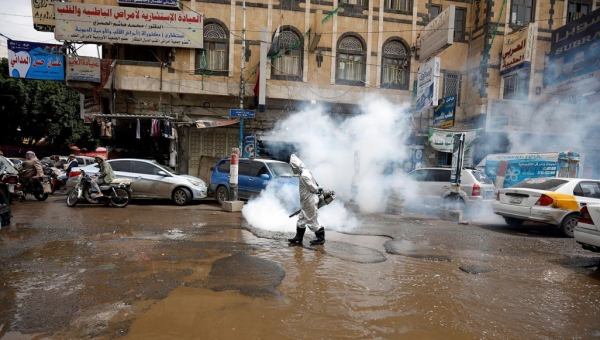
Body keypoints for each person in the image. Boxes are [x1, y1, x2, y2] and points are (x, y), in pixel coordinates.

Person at [287, 154, 326, 245]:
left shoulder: (304, 175)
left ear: (295, 166)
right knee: (301, 220)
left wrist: (317, 189)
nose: (292, 170)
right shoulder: (305, 172)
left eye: (292, 167)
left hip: (309, 202)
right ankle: (298, 237)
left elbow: (312, 187)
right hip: (306, 202)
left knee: (312, 221)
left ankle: (320, 239)